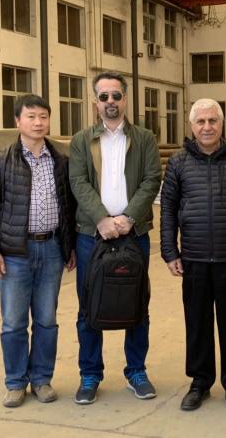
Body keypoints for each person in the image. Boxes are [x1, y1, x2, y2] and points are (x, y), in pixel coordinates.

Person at [160, 99, 226, 414]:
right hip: (194, 258)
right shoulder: (178, 162)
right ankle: (200, 383)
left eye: (212, 121)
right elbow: (168, 209)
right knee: (198, 325)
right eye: (201, 121)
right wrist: (169, 251)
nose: (207, 127)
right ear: (192, 126)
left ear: (221, 123)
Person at [0, 94, 76, 408]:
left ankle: (42, 379)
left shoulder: (61, 161)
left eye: (43, 116)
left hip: (52, 251)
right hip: (15, 253)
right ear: (17, 121)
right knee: (14, 322)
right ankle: (16, 382)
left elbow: (70, 207)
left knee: (46, 320)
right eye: (31, 116)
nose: (38, 122)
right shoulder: (0, 161)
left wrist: (69, 246)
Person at [69, 71, 161, 405]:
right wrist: (101, 219)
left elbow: (151, 179)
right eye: (104, 96)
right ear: (95, 102)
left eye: (116, 95)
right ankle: (90, 374)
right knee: (88, 306)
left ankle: (136, 371)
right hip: (92, 235)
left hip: (133, 233)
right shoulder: (82, 140)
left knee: (137, 303)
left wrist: (127, 218)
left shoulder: (145, 139)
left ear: (125, 99)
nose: (111, 102)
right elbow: (78, 182)